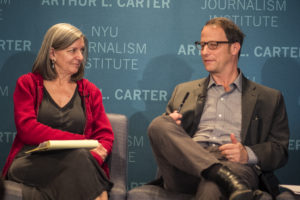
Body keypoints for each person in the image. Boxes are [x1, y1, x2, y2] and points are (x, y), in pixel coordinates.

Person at [147, 17, 289, 200]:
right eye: (202, 45)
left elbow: (280, 150)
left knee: (213, 186)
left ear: (234, 48)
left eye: (213, 45)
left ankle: (221, 176)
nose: (204, 52)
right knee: (159, 124)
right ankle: (220, 174)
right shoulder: (183, 91)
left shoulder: (269, 98)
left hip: (235, 166)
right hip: (187, 167)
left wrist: (247, 154)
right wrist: (173, 126)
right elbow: (166, 140)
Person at [1, 23, 114, 200]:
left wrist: (93, 157)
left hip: (78, 161)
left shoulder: (90, 91)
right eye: (72, 50)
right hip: (30, 161)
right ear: (52, 53)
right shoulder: (28, 84)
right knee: (80, 163)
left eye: (82, 50)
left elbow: (105, 136)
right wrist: (81, 142)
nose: (80, 57)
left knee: (77, 163)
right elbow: (27, 129)